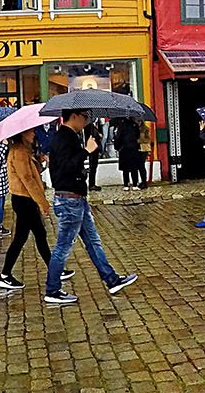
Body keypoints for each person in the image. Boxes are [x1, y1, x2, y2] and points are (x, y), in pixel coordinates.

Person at [44, 109, 136, 305]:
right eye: (84, 116)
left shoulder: (70, 136)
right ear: (74, 116)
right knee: (63, 247)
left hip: (77, 198)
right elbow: (66, 167)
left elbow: (71, 166)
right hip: (69, 200)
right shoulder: (64, 138)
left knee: (93, 242)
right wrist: (86, 151)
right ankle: (52, 290)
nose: (86, 120)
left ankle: (111, 280)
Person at [0, 128, 72, 293]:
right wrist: (43, 203)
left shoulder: (23, 151)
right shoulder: (19, 152)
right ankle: (5, 275)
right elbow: (27, 180)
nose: (34, 134)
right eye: (31, 132)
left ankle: (7, 275)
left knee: (34, 236)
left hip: (25, 200)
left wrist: (38, 161)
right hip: (24, 200)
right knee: (29, 237)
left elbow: (32, 173)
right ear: (22, 133)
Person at [112, 117, 145, 190]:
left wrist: (117, 147)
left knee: (125, 169)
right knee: (134, 168)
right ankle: (135, 184)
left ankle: (126, 184)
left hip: (124, 149)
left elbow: (118, 137)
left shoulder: (121, 125)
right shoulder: (134, 125)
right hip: (133, 148)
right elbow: (137, 135)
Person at [84, 120, 104, 191]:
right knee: (92, 166)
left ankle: (93, 183)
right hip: (91, 148)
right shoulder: (89, 125)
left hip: (97, 147)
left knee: (94, 166)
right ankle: (91, 184)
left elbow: (101, 134)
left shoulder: (98, 124)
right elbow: (89, 136)